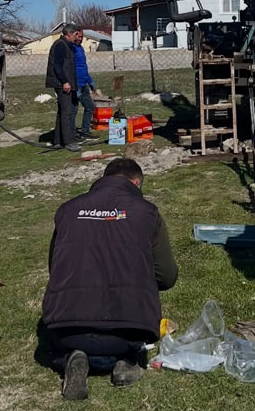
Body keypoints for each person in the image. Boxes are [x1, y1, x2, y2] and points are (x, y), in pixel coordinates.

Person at [41, 158, 178, 400]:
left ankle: (73, 356)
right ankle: (125, 360)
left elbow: (56, 269)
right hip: (129, 330)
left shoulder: (67, 209)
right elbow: (166, 277)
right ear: (136, 182)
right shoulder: (147, 212)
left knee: (67, 343)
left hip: (67, 328)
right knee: (124, 342)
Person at [45, 23, 81, 152]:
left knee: (62, 112)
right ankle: (68, 141)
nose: (77, 37)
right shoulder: (60, 45)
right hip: (62, 84)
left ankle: (58, 141)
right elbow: (58, 66)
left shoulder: (67, 45)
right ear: (69, 34)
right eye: (75, 35)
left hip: (65, 83)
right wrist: (65, 82)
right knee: (67, 112)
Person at [71, 28, 99, 141]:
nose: (80, 39)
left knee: (90, 107)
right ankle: (72, 134)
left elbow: (84, 67)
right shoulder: (71, 49)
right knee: (74, 110)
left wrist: (90, 81)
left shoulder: (80, 49)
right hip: (75, 83)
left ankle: (85, 131)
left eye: (82, 37)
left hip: (84, 83)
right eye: (78, 36)